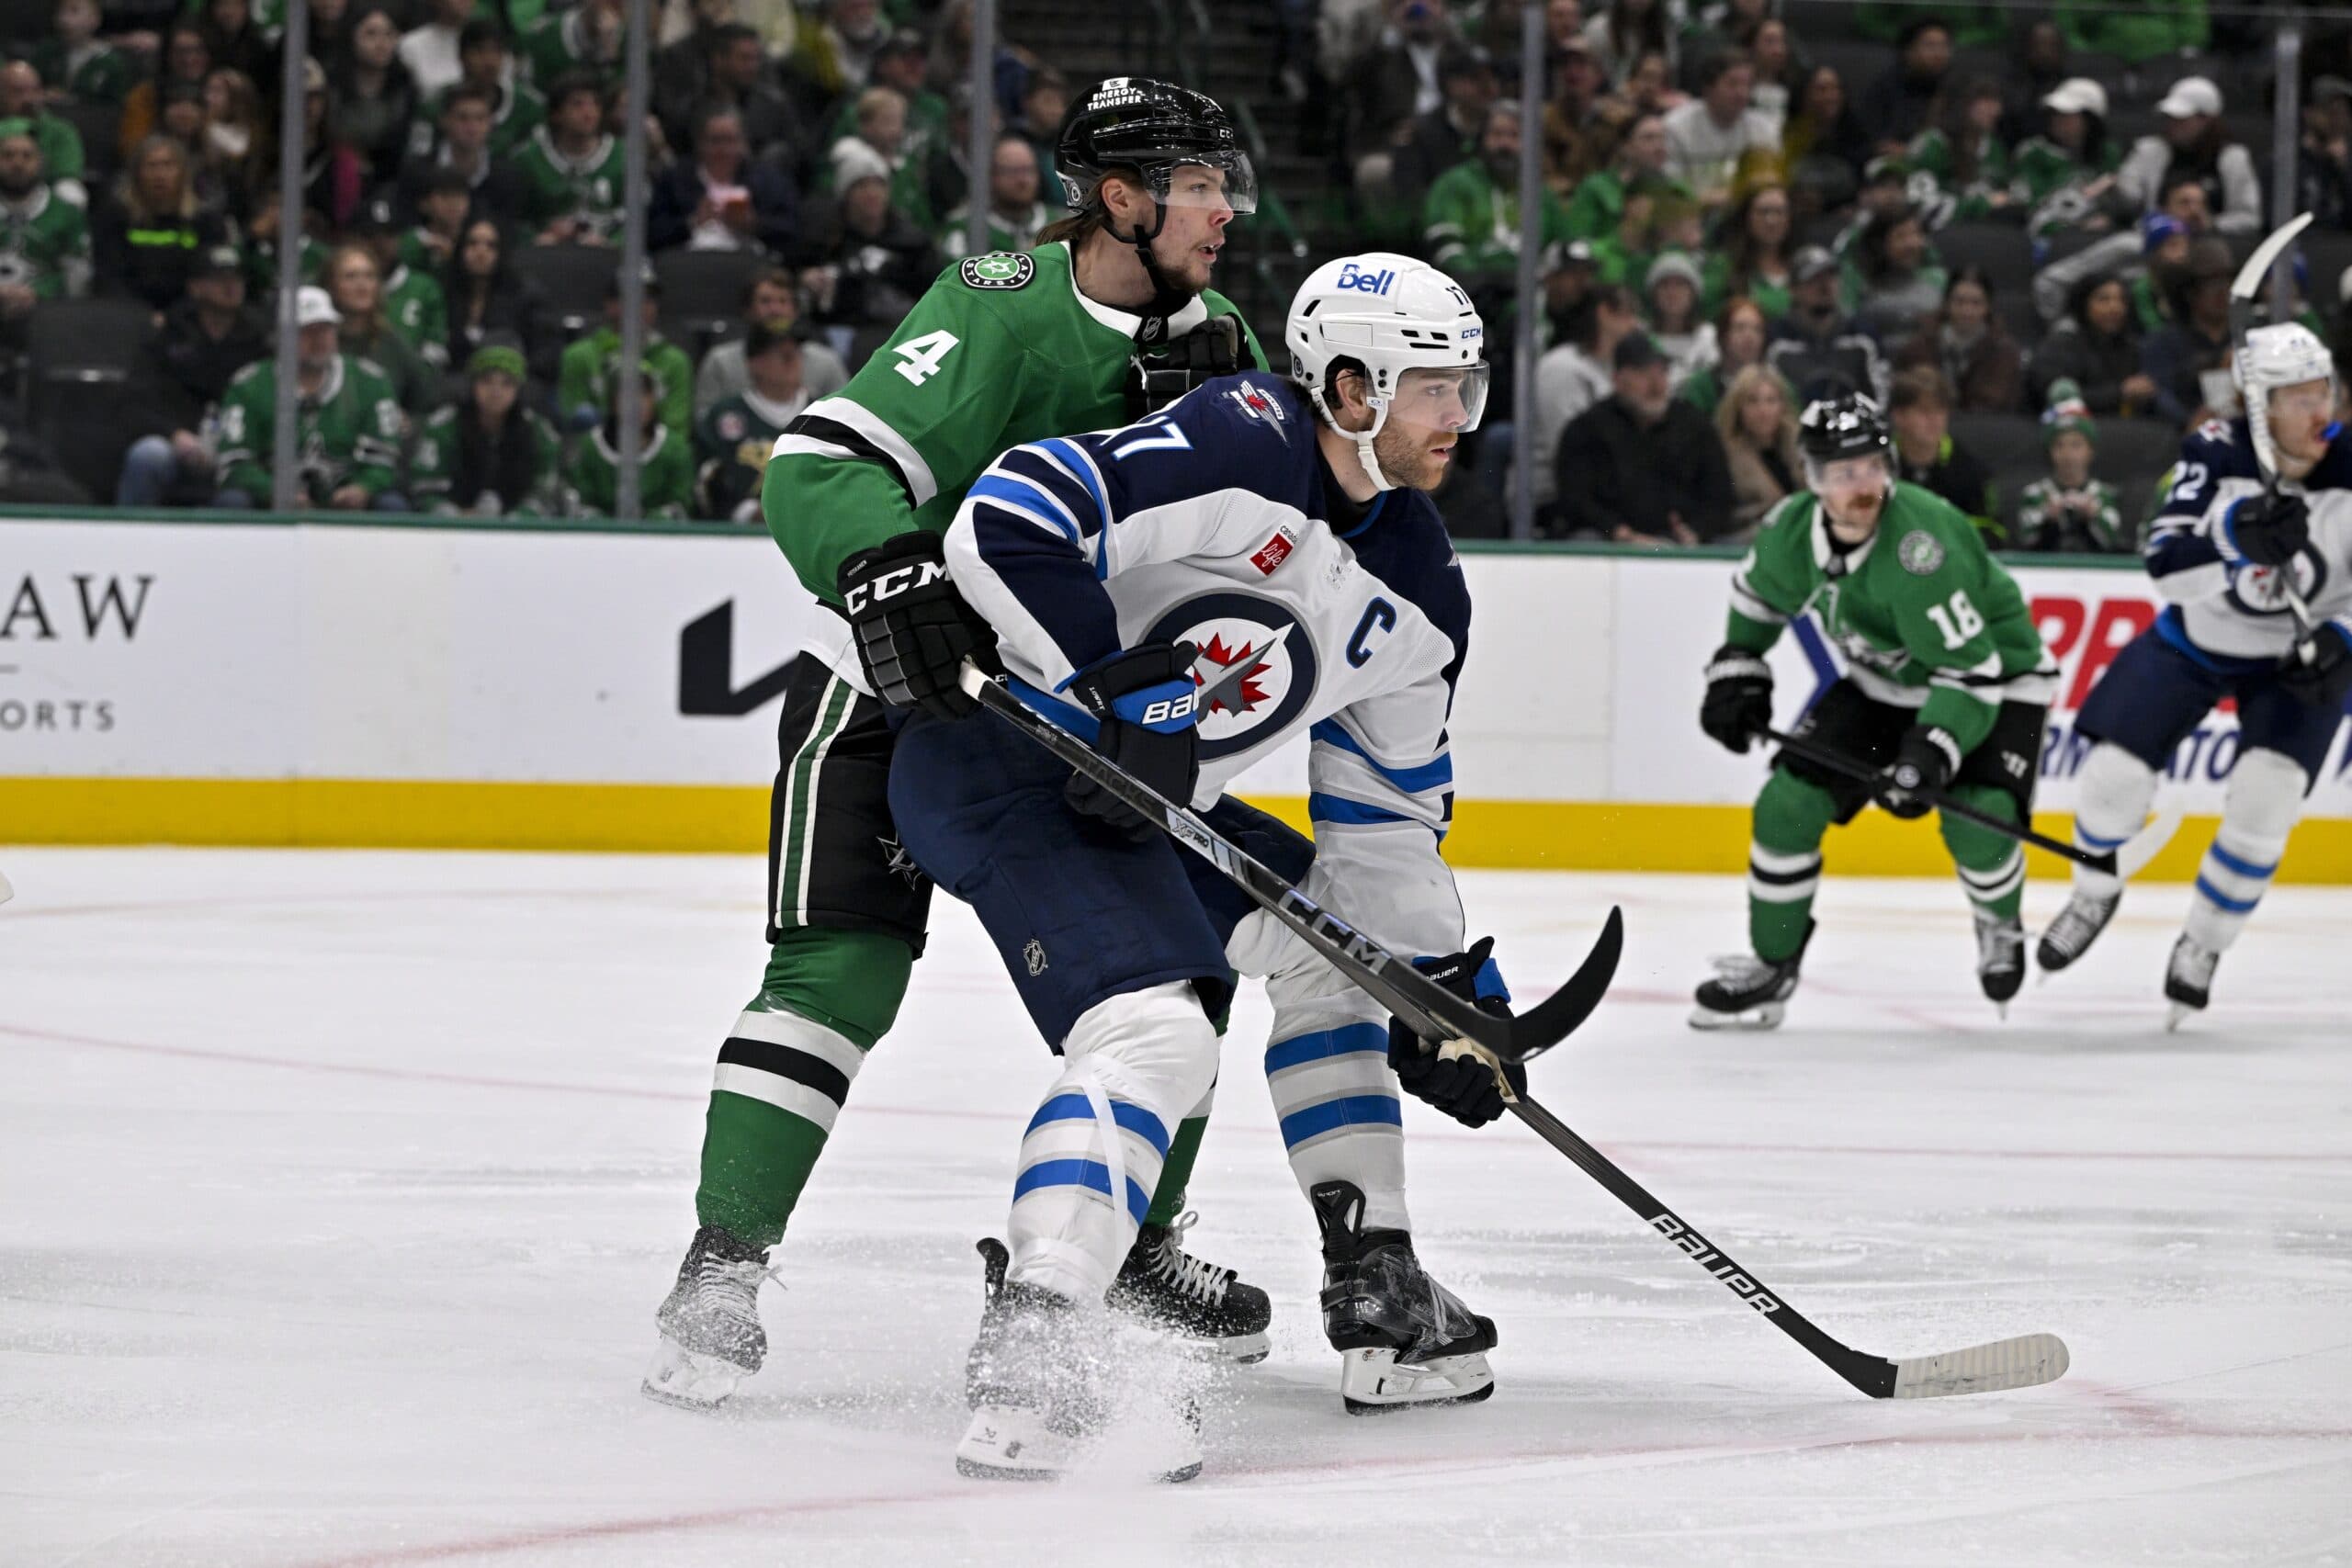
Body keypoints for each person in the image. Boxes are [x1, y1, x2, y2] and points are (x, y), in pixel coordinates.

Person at [642, 80, 1275, 1414]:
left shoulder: (1223, 333)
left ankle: (1138, 1244)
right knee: (840, 968)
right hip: (889, 692)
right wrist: (886, 574)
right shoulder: (999, 299)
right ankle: (723, 1262)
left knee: (1175, 967)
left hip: (1070, 714)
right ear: (1120, 199)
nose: (1228, 208)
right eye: (1203, 183)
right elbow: (818, 465)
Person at [895, 254, 1510, 1482]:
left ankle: (1375, 1276)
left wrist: (1435, 989)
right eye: (1434, 386)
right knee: (1157, 1038)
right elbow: (1008, 517)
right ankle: (1039, 1330)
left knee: (1348, 957)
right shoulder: (1239, 438)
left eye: (1467, 386)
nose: (1462, 415)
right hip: (1005, 758)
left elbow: (1383, 828)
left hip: (1147, 815)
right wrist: (1115, 684)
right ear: (1348, 384)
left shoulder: (1424, 587)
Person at [1693, 392, 2056, 1029]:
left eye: (1869, 466)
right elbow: (1755, 601)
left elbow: (1972, 673)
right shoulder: (1789, 531)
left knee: (1981, 820)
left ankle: (1999, 921)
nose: (1860, 485)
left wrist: (1928, 751)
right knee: (1786, 804)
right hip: (1882, 681)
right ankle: (1772, 963)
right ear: (1813, 479)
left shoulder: (1922, 547)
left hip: (1995, 678)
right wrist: (1738, 670)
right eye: (1841, 472)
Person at [2038, 324, 2352, 1021]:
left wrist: (2342, 639)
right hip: (2199, 639)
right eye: (2298, 397)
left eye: (2323, 390)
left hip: (2295, 660)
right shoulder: (2213, 452)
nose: (2320, 411)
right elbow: (2165, 569)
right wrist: (2234, 538)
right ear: (2260, 408)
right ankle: (2093, 893)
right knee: (2113, 774)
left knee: (2265, 803)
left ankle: (2205, 942)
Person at [213, 285, 407, 510]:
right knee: (233, 501)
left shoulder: (371, 382)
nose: (319, 339)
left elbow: (385, 455)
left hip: (348, 499)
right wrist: (273, 491)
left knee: (390, 504)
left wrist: (363, 487)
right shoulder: (249, 385)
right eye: (307, 331)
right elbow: (234, 460)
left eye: (326, 329)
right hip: (270, 503)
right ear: (282, 336)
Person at [115, 243, 266, 506]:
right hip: (176, 443)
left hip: (236, 452)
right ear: (195, 287)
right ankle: (131, 539)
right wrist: (175, 434)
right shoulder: (168, 335)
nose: (231, 286)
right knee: (148, 455)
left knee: (239, 497)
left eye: (236, 278)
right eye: (220, 279)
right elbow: (134, 402)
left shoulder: (260, 339)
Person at [1552, 331, 1734, 542]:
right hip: (1611, 542)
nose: (1656, 384)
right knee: (1583, 541)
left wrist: (1696, 531)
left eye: (1661, 372)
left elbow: (1720, 493)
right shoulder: (1587, 430)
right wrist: (1618, 532)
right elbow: (1576, 499)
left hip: (1680, 542)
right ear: (1618, 380)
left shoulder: (1694, 425)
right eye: (1643, 373)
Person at [1420, 99, 1571, 297]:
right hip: (1468, 293)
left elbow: (1560, 244)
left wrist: (1538, 279)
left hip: (1529, 294)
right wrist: (1479, 281)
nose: (1505, 144)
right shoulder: (1455, 184)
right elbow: (1445, 244)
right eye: (1497, 134)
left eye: (1514, 136)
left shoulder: (1540, 194)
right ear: (1481, 138)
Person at [409, 341, 560, 515]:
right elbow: (425, 484)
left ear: (518, 389)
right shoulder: (443, 427)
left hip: (517, 530)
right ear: (473, 384)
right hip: (450, 528)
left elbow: (545, 489)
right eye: (487, 381)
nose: (496, 391)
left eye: (507, 383)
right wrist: (451, 515)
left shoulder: (538, 431)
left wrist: (517, 519)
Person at [556, 264, 695, 441]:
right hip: (595, 459)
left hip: (656, 460)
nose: (643, 307)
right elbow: (571, 422)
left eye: (649, 299)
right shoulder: (578, 356)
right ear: (610, 305)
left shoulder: (676, 361)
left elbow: (677, 430)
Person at [1530, 280, 1638, 505]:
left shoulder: (1615, 369)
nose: (1635, 324)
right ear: (1604, 313)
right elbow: (1567, 449)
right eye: (1628, 314)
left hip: (1607, 493)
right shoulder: (1562, 367)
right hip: (1552, 498)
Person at [694, 322, 812, 521]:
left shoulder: (823, 413)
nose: (792, 361)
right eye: (783, 355)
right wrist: (746, 512)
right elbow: (707, 477)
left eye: (796, 353)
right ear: (754, 362)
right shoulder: (724, 415)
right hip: (736, 537)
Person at [692, 265, 847, 415]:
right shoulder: (720, 361)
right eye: (765, 301)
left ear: (795, 311)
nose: (775, 310)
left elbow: (844, 417)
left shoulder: (826, 362)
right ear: (748, 310)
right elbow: (704, 418)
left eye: (783, 301)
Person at [93, 133, 224, 310]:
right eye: (151, 166)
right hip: (129, 314)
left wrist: (177, 317)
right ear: (137, 173)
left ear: (183, 173)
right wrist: (141, 316)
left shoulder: (204, 221)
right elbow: (109, 277)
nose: (160, 175)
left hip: (190, 316)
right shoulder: (116, 217)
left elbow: (208, 279)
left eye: (168, 166)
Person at [2115, 77, 2261, 236]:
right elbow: (2128, 197)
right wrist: (2117, 189)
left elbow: (2250, 218)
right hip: (2155, 240)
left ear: (2206, 119)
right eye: (2171, 118)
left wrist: (2211, 224)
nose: (2173, 124)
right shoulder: (2148, 151)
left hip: (2213, 243)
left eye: (2182, 119)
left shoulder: (2234, 159)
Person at [647, 105, 797, 254]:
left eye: (730, 141)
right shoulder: (674, 180)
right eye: (715, 141)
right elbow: (652, 233)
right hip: (690, 261)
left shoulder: (769, 181)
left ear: (743, 143)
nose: (723, 150)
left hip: (749, 262)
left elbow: (791, 229)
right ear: (700, 143)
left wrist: (754, 225)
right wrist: (692, 222)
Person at [0, 121, 91, 349]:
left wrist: (38, 293)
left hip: (46, 315)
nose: (17, 163)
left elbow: (78, 273)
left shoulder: (66, 213)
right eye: (8, 156)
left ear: (40, 162)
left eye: (26, 155)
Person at [568, 362, 697, 519]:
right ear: (612, 401)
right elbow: (582, 503)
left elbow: (681, 503)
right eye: (627, 394)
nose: (636, 403)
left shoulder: (675, 449)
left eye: (644, 394)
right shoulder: (590, 448)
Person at [408, 18, 543, 163]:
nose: (490, 62)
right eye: (479, 51)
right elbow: (418, 161)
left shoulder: (529, 105)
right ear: (461, 56)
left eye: (497, 51)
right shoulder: (435, 104)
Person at [1765, 244, 1887, 406]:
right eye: (1814, 279)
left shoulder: (1862, 336)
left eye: (1830, 276)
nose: (1824, 286)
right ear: (1793, 289)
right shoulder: (1777, 339)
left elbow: (1880, 400)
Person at [512, 73, 625, 243]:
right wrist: (537, 238)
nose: (589, 113)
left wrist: (611, 243)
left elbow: (638, 217)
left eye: (595, 104)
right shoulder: (528, 160)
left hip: (606, 257)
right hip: (547, 256)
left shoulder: (624, 156)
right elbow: (514, 218)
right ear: (556, 114)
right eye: (577, 105)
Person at [323, 242, 435, 414]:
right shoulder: (316, 341)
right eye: (351, 276)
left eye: (369, 276)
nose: (362, 285)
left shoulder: (393, 344)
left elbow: (426, 401)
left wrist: (411, 424)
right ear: (331, 286)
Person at [2029, 271, 2157, 418]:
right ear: (2083, 304)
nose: (2115, 308)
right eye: (2104, 300)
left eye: (2122, 300)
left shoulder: (2130, 347)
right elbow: (2055, 397)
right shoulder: (2060, 346)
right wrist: (2120, 393)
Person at [441, 216, 553, 383]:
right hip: (455, 384)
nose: (481, 252)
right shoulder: (444, 293)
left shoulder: (526, 297)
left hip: (511, 385)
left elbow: (545, 353)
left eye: (491, 246)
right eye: (472, 243)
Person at [1895, 267, 2023, 413]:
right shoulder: (1917, 347)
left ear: (1988, 307)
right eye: (1960, 302)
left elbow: (1995, 403)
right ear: (1946, 304)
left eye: (1976, 303)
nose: (1967, 311)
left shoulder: (2004, 352)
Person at [1661, 48, 1774, 214]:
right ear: (1708, 89)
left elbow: (1770, 186)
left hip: (1746, 219)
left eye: (1747, 85)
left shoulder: (1763, 129)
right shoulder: (1675, 127)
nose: (1742, 93)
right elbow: (1670, 194)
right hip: (1690, 216)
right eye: (1732, 84)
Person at [1888, 366, 1996, 534]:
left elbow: (1989, 535)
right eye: (1923, 411)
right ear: (1899, 416)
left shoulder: (1971, 472)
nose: (1934, 420)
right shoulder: (1877, 467)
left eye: (1940, 410)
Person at [2141, 236, 2234, 427]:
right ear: (2190, 292)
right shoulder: (2163, 343)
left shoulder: (2250, 337)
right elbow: (2157, 393)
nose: (2222, 291)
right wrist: (2189, 421)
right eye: (2211, 283)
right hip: (2182, 440)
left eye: (2228, 281)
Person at [2014, 394, 2124, 552]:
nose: (2068, 455)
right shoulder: (2034, 495)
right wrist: (2048, 521)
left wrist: (2092, 518)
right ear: (2050, 452)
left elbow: (2115, 546)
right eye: (2059, 446)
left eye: (2076, 445)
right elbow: (2026, 545)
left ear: (2090, 451)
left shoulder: (2105, 495)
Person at [2013, 76, 2117, 239]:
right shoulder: (2033, 153)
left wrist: (2108, 220)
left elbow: (2116, 204)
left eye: (2068, 116)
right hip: (2049, 237)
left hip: (2099, 238)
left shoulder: (2108, 153)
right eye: (2056, 114)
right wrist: (2074, 228)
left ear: (2090, 121)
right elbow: (2030, 207)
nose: (2058, 121)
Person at [328, 5, 419, 187]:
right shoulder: (334, 83)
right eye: (371, 34)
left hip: (390, 178)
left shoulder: (405, 85)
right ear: (351, 37)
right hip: (336, 176)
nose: (381, 43)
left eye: (389, 34)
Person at [1907, 73, 2012, 223]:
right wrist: (1981, 205)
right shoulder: (1931, 145)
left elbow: (2003, 194)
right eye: (1986, 100)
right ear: (1961, 104)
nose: (1996, 110)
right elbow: (1920, 207)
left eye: (1997, 101)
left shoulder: (1994, 148)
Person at [1715, 361, 1802, 536]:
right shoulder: (1722, 455)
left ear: (1782, 406)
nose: (1763, 411)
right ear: (1738, 408)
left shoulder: (1801, 449)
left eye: (1771, 401)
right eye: (1752, 401)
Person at [938, 131, 1053, 259]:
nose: (1023, 180)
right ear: (991, 175)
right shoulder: (964, 228)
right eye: (1012, 171)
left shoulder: (1061, 224)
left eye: (1029, 170)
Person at [1842, 206, 1946, 344]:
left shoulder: (1938, 278)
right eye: (1901, 236)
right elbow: (1844, 323)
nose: (1912, 244)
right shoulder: (1857, 280)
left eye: (1916, 234)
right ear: (1880, 244)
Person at [1700, 180, 1792, 320]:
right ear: (1746, 217)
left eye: (1779, 212)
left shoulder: (1800, 264)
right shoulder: (1723, 266)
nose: (1771, 220)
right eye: (1763, 212)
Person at [0, 61, 86, 209]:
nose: (28, 98)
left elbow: (66, 174)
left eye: (34, 90)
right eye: (18, 91)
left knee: (71, 193)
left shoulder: (61, 130)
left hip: (43, 198)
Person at [1858, 17, 1949, 151]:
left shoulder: (1955, 88)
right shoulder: (1883, 89)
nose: (1939, 53)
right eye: (1930, 46)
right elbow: (1872, 138)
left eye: (1944, 46)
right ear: (1908, 51)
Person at [1678, 294, 1771, 417]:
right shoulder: (1701, 387)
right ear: (1723, 335)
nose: (1749, 337)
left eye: (1757, 330)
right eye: (1740, 328)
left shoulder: (1776, 386)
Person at [30, 0, 133, 110]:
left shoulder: (111, 62)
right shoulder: (47, 51)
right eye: (61, 11)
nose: (64, 19)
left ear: (95, 19)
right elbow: (27, 89)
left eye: (74, 11)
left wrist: (72, 100)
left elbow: (117, 108)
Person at [1643, 250, 1714, 390]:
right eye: (1664, 285)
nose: (1672, 292)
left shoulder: (1709, 337)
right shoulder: (1640, 337)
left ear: (1693, 293)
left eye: (1680, 284)